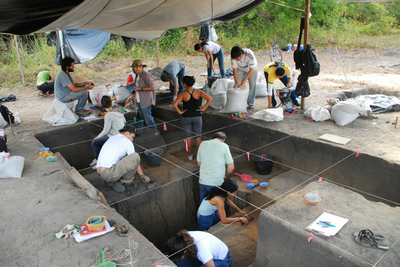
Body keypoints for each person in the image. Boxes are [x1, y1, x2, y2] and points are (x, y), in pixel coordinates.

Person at [96, 124, 150, 193]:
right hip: (108, 173)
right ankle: (126, 180)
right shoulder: (127, 142)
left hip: (100, 173)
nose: (132, 139)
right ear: (127, 133)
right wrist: (142, 176)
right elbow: (135, 160)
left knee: (123, 158)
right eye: (132, 137)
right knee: (135, 156)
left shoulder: (112, 138)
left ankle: (111, 180)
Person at [172, 76, 212, 161]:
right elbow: (210, 99)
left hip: (186, 117)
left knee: (188, 138)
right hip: (197, 116)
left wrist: (180, 112)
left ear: (184, 84)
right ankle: (200, 157)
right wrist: (203, 109)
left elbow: (174, 105)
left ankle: (189, 155)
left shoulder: (182, 94)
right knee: (198, 137)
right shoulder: (199, 92)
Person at [90, 95, 126, 168]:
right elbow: (124, 122)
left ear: (102, 105)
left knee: (94, 142)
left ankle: (98, 160)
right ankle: (100, 159)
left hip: (114, 136)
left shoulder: (109, 115)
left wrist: (97, 137)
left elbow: (106, 130)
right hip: (121, 133)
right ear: (111, 103)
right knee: (100, 140)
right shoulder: (118, 110)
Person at [197, 132, 234, 201]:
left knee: (205, 206)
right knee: (217, 207)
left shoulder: (203, 143)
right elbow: (231, 167)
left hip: (202, 181)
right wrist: (225, 174)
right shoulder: (224, 146)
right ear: (223, 140)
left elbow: (199, 163)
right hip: (216, 183)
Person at [166, 229, 232, 267]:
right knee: (179, 263)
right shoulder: (182, 238)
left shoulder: (202, 251)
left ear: (185, 252)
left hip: (222, 259)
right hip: (205, 255)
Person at [130, 59, 157, 130]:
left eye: (137, 67)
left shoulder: (146, 75)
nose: (135, 69)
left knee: (149, 120)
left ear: (141, 66)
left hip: (146, 101)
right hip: (139, 100)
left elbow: (152, 88)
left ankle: (155, 133)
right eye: (134, 67)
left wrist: (140, 89)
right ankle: (148, 133)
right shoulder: (137, 75)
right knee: (143, 119)